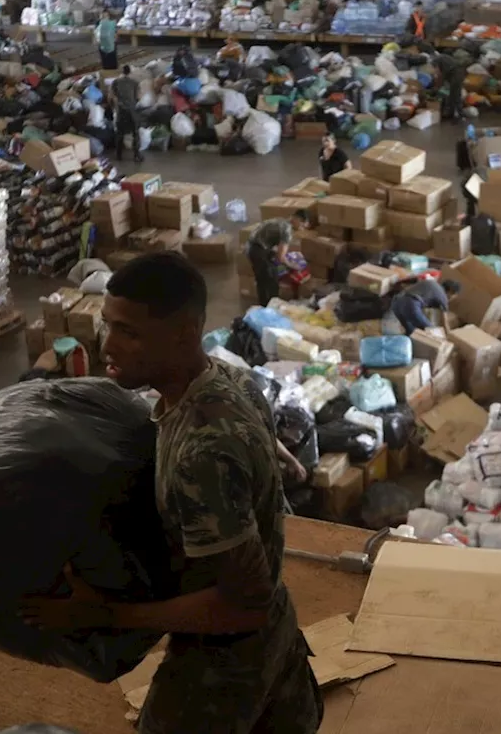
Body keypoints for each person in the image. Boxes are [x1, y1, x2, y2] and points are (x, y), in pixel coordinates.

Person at [21, 252, 322, 734]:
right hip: (277, 637)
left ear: (183, 334)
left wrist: (104, 613)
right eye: (107, 325)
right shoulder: (231, 379)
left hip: (224, 664)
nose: (108, 345)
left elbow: (244, 603)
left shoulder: (200, 455)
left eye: (129, 332)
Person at [246, 211, 310, 306]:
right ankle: (270, 308)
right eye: (302, 226)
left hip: (252, 248)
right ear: (298, 219)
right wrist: (293, 266)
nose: (301, 229)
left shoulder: (279, 221)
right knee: (271, 280)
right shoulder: (287, 230)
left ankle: (264, 306)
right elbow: (281, 258)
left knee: (262, 281)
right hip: (258, 251)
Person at [390, 279, 460, 335]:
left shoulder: (431, 282)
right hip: (410, 304)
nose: (452, 298)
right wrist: (450, 336)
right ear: (451, 291)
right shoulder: (443, 296)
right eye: (454, 295)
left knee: (411, 331)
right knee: (432, 331)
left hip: (396, 302)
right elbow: (444, 322)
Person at [112, 65, 143, 163]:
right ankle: (137, 155)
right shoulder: (135, 83)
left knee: (120, 133)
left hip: (121, 110)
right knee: (135, 133)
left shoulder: (115, 82)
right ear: (130, 72)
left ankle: (118, 155)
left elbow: (112, 97)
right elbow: (138, 97)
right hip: (132, 110)